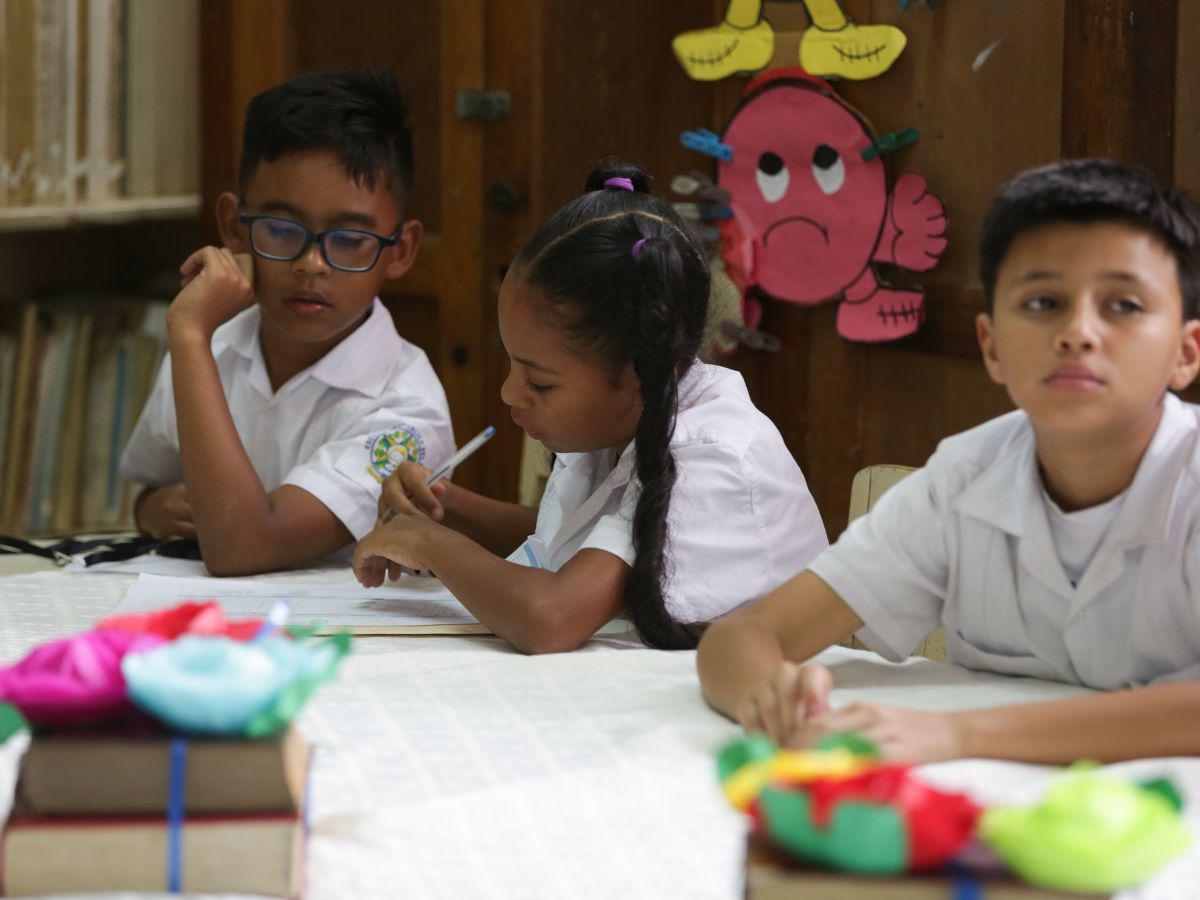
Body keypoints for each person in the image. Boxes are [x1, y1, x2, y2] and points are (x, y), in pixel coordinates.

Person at [698, 158, 1200, 764]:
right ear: (991, 347)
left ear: (1185, 352)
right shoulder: (963, 480)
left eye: (1123, 305)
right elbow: (743, 635)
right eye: (1043, 302)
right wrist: (773, 695)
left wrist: (961, 734)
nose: (1078, 333)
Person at [352, 162, 827, 653]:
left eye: (539, 381)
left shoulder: (711, 456)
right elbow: (574, 544)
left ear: (638, 372)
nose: (509, 394)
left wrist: (427, 543)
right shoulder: (626, 416)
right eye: (513, 365)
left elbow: (552, 616)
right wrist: (449, 509)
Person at [121, 68, 454, 575]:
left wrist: (189, 336)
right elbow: (148, 489)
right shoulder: (219, 346)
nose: (311, 264)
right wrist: (153, 509)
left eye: (349, 239)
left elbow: (245, 547)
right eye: (280, 229)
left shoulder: (407, 411)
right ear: (234, 226)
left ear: (401, 251)